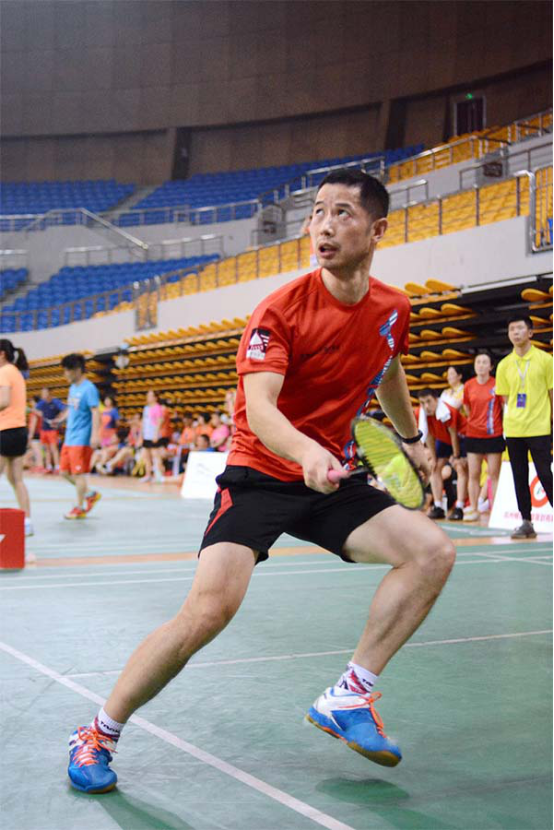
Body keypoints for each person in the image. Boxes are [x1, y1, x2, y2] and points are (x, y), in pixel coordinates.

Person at [67, 167, 455, 795]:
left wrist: (410, 437)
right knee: (208, 611)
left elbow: (388, 367)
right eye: (318, 211)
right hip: (262, 473)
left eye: (343, 213)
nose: (324, 225)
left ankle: (348, 696)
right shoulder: (280, 309)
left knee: (431, 552)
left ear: (378, 230)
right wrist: (306, 452)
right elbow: (261, 408)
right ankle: (97, 733)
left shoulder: (394, 307)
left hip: (329, 477)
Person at [495, 316, 553, 539]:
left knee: (545, 474)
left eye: (520, 328)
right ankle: (526, 522)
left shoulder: (545, 360)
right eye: (512, 329)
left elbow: (551, 394)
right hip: (514, 430)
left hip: (539, 428)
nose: (515, 332)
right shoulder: (503, 365)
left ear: (530, 332)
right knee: (519, 476)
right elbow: (506, 400)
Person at [56, 354, 101, 520]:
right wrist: (60, 419)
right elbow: (71, 408)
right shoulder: (73, 388)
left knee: (78, 474)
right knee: (63, 472)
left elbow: (95, 412)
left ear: (77, 370)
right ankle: (90, 494)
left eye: (67, 370)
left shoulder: (89, 389)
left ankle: (80, 507)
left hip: (81, 438)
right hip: (69, 437)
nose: (65, 374)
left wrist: (95, 435)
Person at [462, 353, 504, 522]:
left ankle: (495, 509)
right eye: (478, 362)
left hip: (494, 434)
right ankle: (473, 508)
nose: (480, 365)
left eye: (484, 362)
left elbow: (502, 407)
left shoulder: (497, 384)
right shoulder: (468, 385)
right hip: (473, 434)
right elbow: (467, 408)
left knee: (493, 474)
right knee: (474, 473)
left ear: (491, 367)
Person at [418, 388, 468, 520]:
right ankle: (438, 506)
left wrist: (456, 456)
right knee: (434, 468)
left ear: (436, 400)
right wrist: (434, 458)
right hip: (443, 439)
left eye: (428, 401)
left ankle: (459, 507)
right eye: (422, 403)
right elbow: (429, 437)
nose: (426, 406)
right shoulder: (422, 414)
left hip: (461, 437)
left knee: (460, 468)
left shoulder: (448, 411)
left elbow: (454, 435)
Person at [0, 339, 33, 536]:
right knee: (16, 479)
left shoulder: (4, 372)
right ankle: (27, 522)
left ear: (2, 354)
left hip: (5, 430)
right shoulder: (16, 372)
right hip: (19, 430)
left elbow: (4, 401)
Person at [35, 386, 65, 472]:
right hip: (44, 429)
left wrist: (58, 419)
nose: (43, 395)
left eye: (44, 393)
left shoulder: (56, 402)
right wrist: (39, 413)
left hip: (52, 430)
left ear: (49, 393)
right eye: (42, 393)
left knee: (54, 448)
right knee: (46, 449)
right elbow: (35, 409)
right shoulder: (41, 403)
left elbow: (65, 410)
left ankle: (57, 467)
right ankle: (49, 467)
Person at [140, 390, 163, 482]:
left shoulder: (158, 407)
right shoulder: (146, 408)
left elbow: (160, 421)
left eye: (150, 396)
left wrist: (156, 434)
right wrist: (141, 434)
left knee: (155, 455)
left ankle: (159, 475)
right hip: (146, 435)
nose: (148, 397)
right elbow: (144, 422)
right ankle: (148, 474)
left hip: (153, 434)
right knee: (145, 455)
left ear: (155, 398)